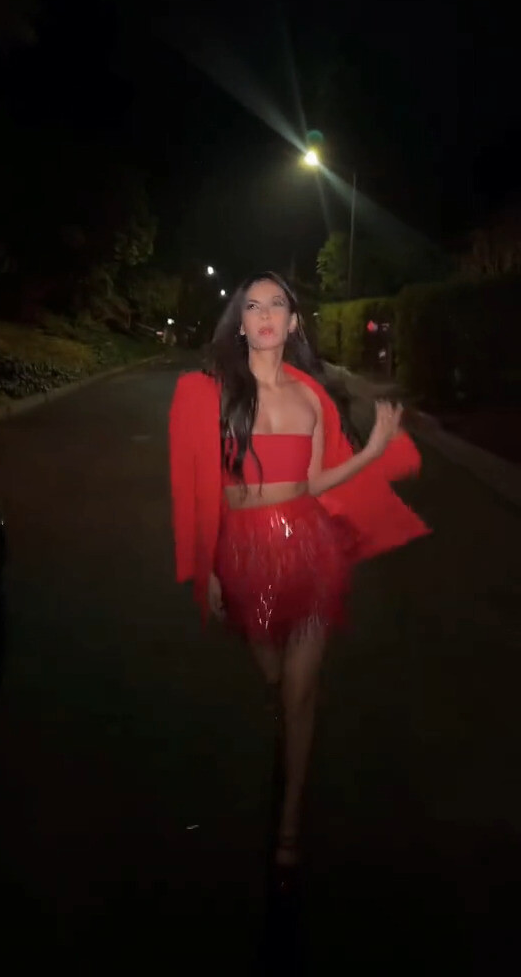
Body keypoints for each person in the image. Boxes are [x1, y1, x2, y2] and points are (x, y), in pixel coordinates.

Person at [169, 271, 431, 881]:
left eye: (277, 305)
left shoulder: (311, 396)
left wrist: (372, 452)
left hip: (310, 548)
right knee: (271, 669)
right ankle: (283, 701)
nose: (264, 314)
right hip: (242, 555)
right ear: (240, 323)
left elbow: (313, 482)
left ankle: (289, 822)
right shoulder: (207, 394)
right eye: (252, 305)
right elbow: (192, 486)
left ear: (293, 323)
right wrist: (207, 566)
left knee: (299, 691)